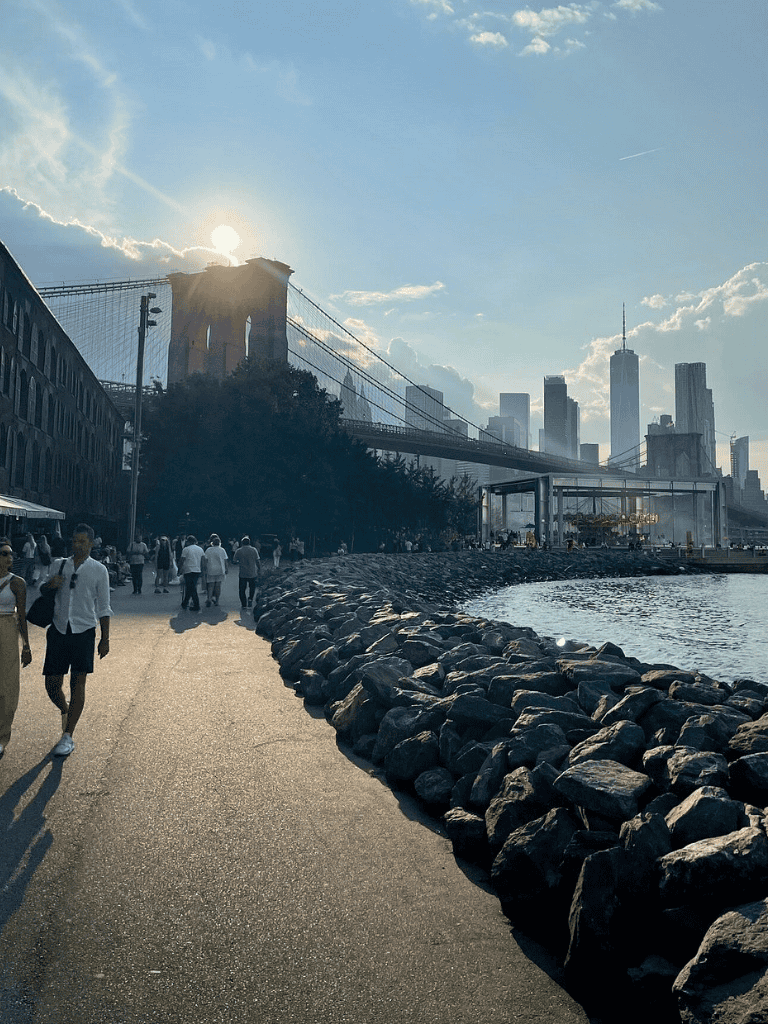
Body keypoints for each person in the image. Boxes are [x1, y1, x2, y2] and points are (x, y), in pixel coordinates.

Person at [41, 523, 112, 758]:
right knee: (52, 683)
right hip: (59, 629)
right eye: (75, 540)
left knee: (77, 682)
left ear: (92, 543)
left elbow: (104, 607)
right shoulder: (58, 564)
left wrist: (105, 638)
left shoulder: (99, 570)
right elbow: (42, 588)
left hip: (84, 631)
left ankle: (68, 735)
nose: (77, 545)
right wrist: (51, 585)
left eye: (83, 541)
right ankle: (65, 709)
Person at [0, 537, 32, 756]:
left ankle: (2, 735)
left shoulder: (17, 582)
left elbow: (22, 615)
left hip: (7, 631)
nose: (10, 557)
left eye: (11, 553)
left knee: (7, 684)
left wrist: (26, 646)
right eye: (4, 553)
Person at [178, 535, 205, 611]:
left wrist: (179, 570)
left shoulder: (186, 549)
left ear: (189, 541)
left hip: (188, 570)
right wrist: (203, 571)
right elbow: (203, 561)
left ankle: (195, 604)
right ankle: (185, 603)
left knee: (190, 588)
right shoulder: (200, 549)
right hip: (197, 570)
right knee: (191, 587)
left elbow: (182, 560)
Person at [233, 536, 260, 608]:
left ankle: (244, 604)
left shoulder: (239, 551)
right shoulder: (254, 550)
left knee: (242, 589)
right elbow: (257, 560)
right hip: (252, 572)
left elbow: (234, 561)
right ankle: (250, 598)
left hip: (242, 573)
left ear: (242, 543)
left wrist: (239, 561)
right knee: (252, 587)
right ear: (249, 542)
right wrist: (259, 568)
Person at [203, 534, 228, 607]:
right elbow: (225, 560)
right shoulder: (222, 550)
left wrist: (204, 568)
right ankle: (217, 601)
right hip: (220, 570)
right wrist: (226, 569)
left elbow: (205, 560)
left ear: (212, 543)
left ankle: (209, 599)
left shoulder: (208, 550)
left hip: (210, 569)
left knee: (210, 586)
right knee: (218, 586)